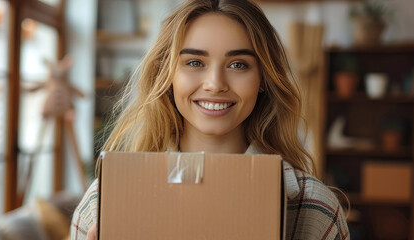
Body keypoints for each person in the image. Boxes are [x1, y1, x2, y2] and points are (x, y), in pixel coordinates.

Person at [71, 0, 350, 239]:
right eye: (194, 62)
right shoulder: (102, 204)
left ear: (263, 79)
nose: (215, 84)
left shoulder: (314, 209)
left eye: (238, 65)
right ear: (166, 75)